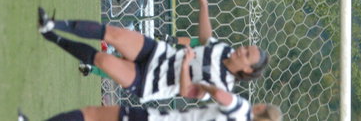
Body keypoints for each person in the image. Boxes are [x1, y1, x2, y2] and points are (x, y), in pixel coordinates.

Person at [37, 0, 269, 102]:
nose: (241, 50)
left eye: (246, 54)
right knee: (113, 34)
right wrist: (203, 3)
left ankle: (51, 36)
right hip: (158, 53)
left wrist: (186, 63)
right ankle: (52, 24)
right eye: (246, 47)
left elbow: (187, 91)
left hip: (150, 82)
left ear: (248, 70)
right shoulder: (225, 49)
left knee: (102, 60)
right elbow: (206, 39)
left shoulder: (223, 87)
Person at [19, 48, 281, 120]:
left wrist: (209, 87)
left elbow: (223, 98)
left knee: (93, 114)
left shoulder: (241, 109)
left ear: (260, 108)